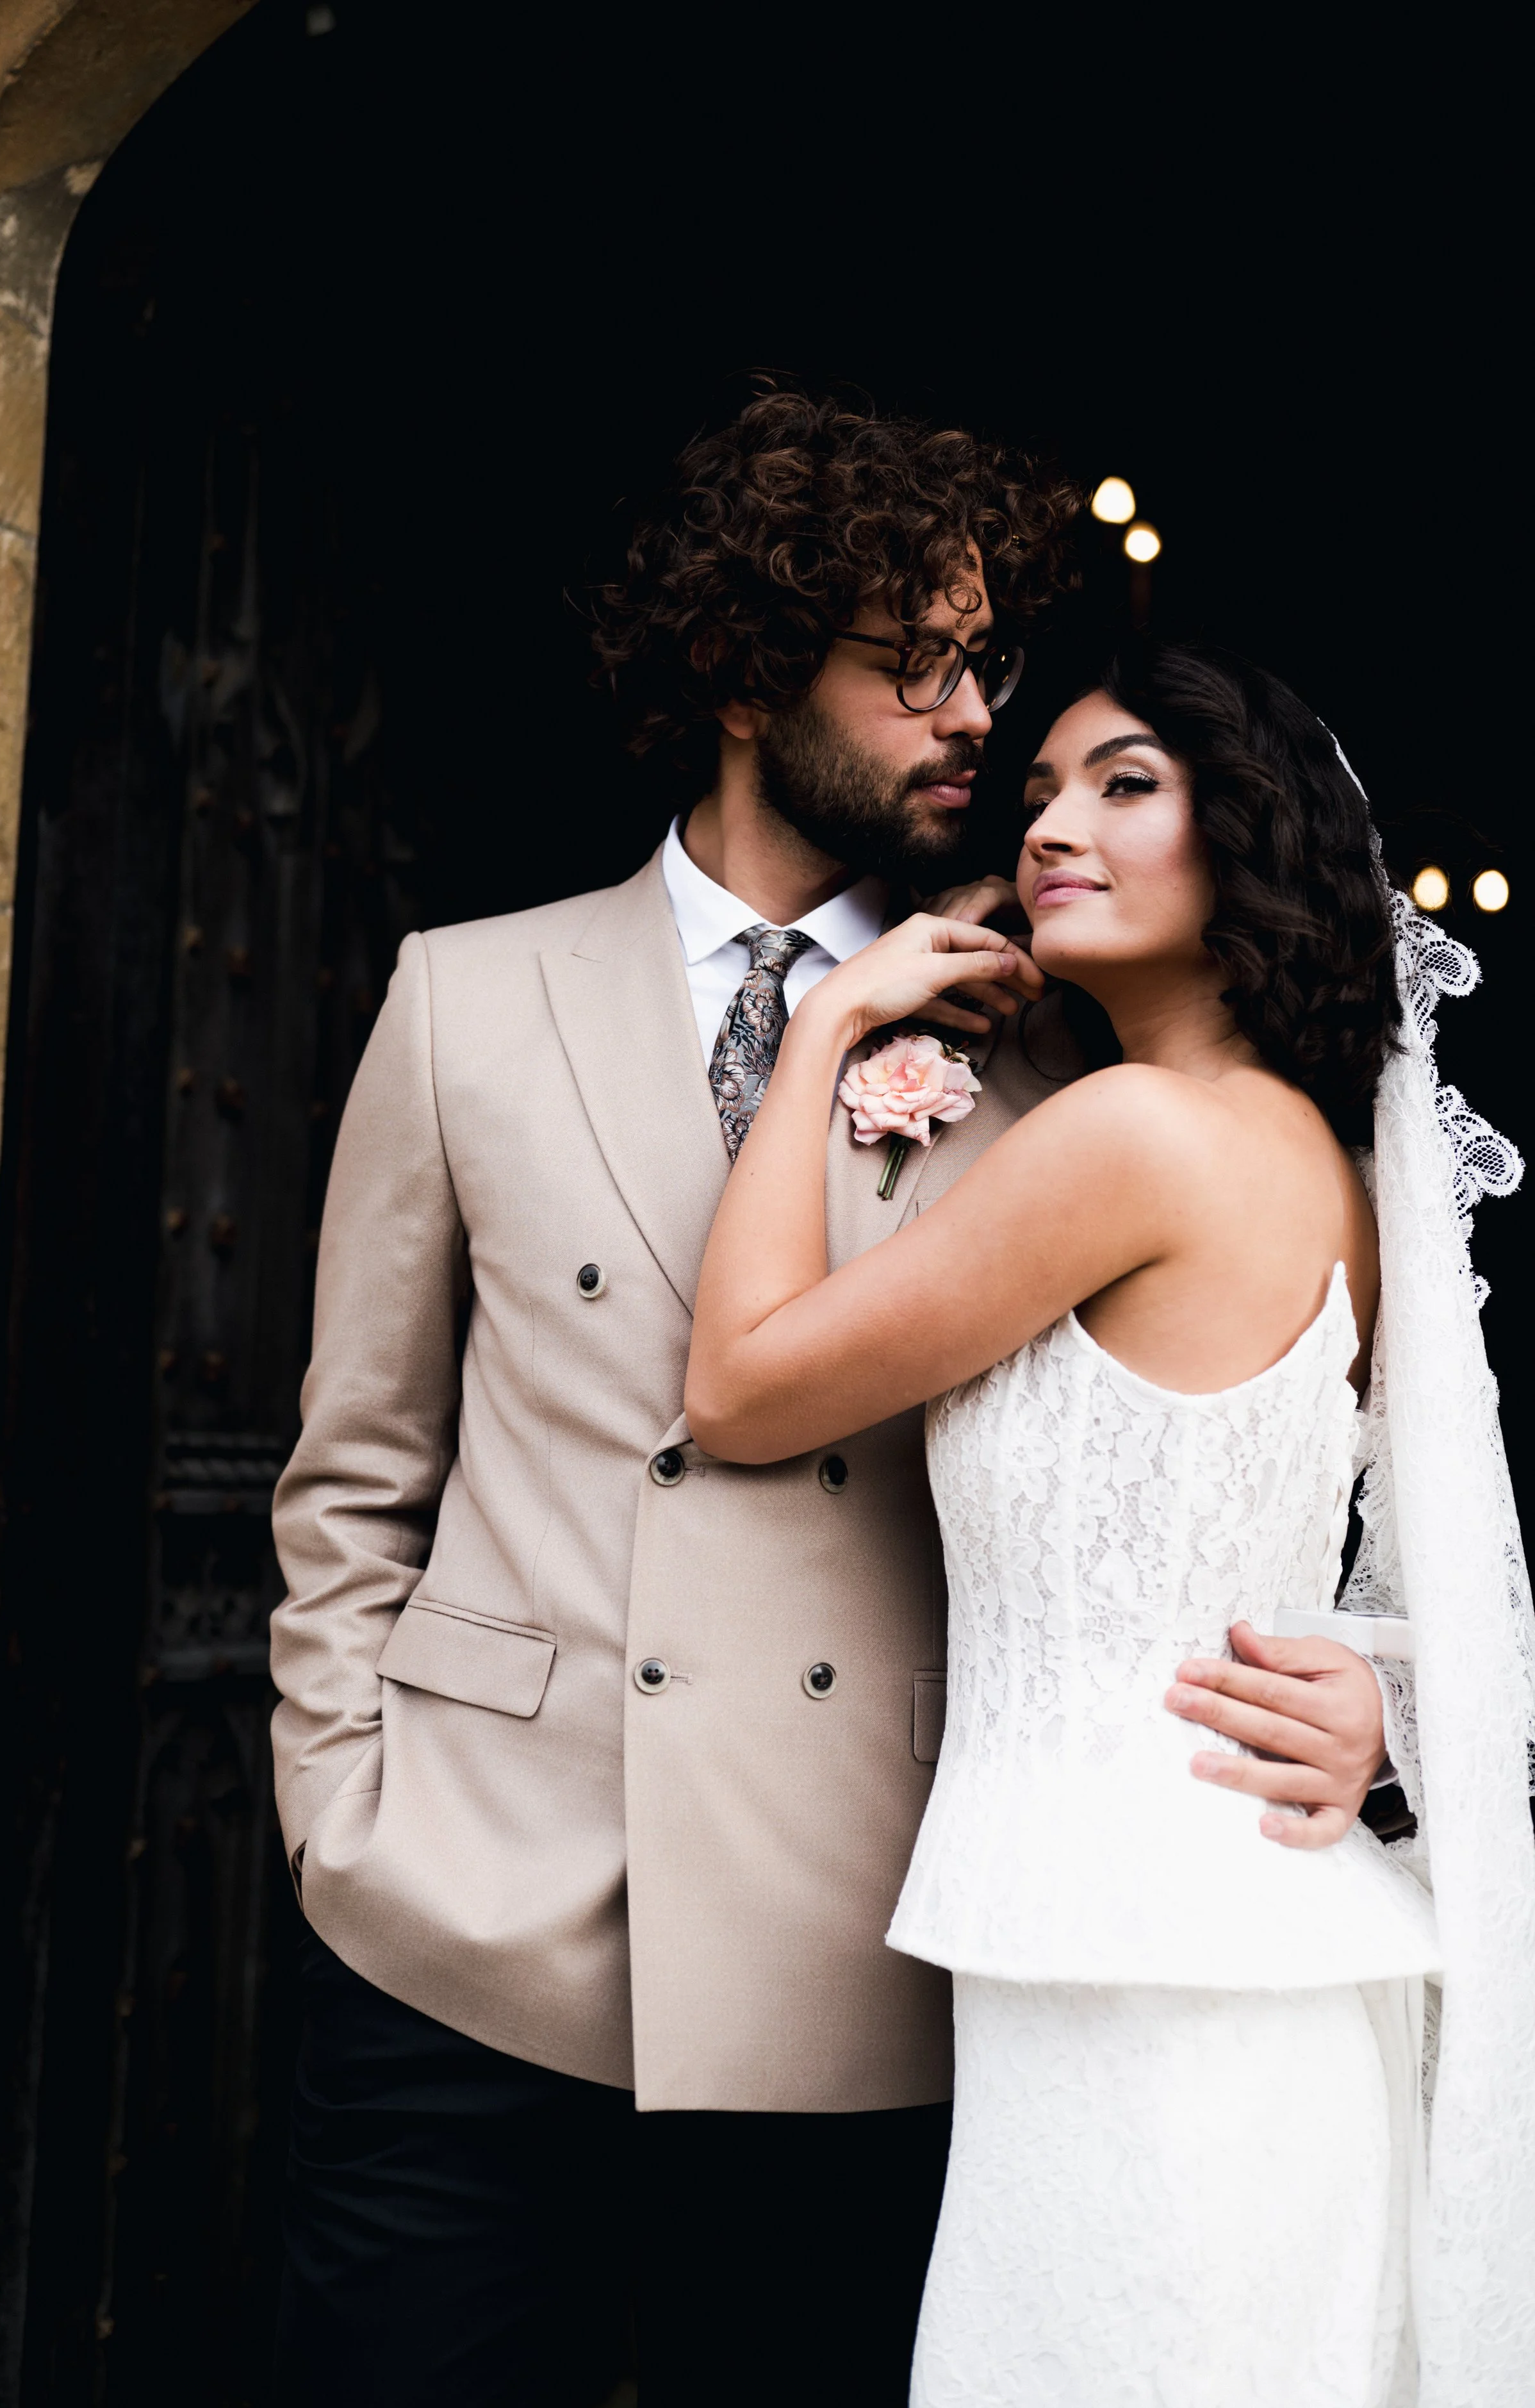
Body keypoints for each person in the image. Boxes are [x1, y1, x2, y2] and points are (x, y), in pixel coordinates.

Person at [268, 385, 1085, 2406]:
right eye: (916, 662)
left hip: (855, 1947)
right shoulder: (463, 991)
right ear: (742, 669)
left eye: (984, 658)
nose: (975, 712)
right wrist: (338, 1814)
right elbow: (353, 1472)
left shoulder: (1042, 1057)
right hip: (460, 1926)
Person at [685, 638, 1535, 2405]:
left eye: (1124, 782)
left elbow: (742, 1388)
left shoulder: (1129, 1140)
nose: (1053, 822)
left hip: (1144, 2001)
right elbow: (1279, 1545)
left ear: (1248, 835)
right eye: (1045, 789)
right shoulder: (1309, 1158)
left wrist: (829, 1015)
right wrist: (1385, 1690)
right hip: (1215, 1969)